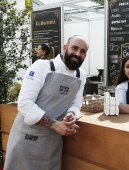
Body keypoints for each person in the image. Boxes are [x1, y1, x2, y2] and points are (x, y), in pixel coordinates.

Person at [4, 35, 89, 170]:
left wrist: (71, 114)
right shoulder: (42, 66)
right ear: (65, 48)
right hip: (26, 140)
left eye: (83, 51)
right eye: (75, 48)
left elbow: (76, 103)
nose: (78, 54)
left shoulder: (81, 75)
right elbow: (25, 103)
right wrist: (56, 125)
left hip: (52, 142)